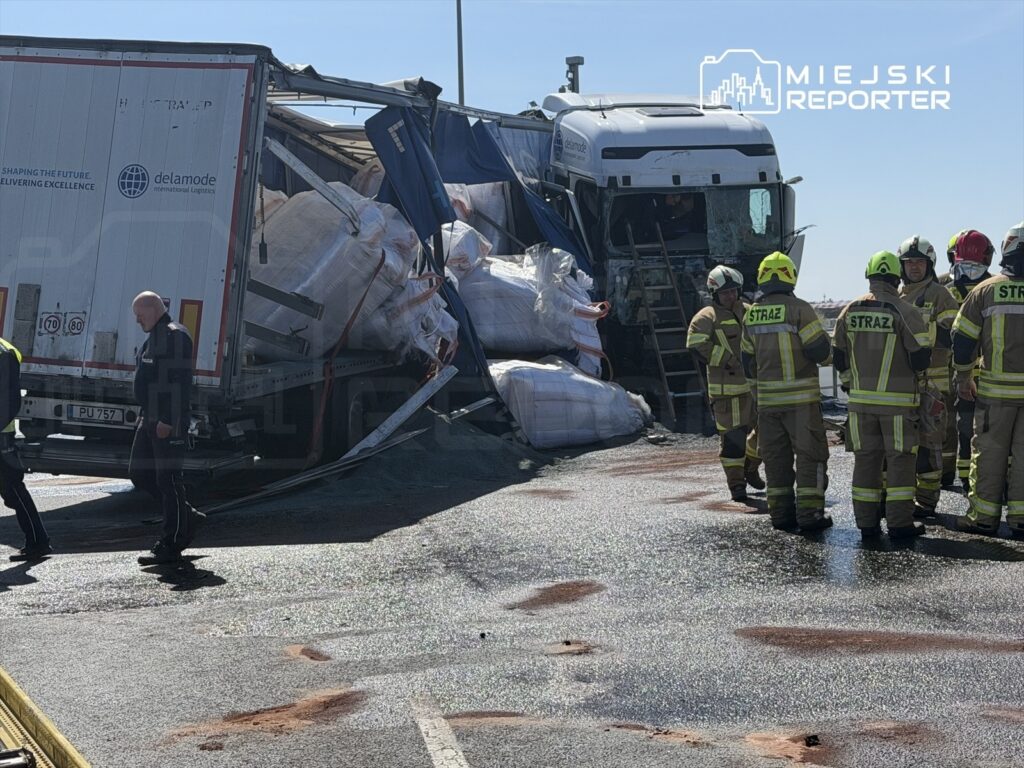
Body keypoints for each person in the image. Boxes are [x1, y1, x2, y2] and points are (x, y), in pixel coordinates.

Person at [832, 252, 933, 539]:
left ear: (870, 277)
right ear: (896, 278)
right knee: (900, 462)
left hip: (860, 405)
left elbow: (837, 355)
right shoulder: (904, 310)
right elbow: (920, 359)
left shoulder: (849, 310)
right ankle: (900, 524)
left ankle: (866, 523)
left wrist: (851, 383)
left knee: (866, 461)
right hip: (898, 406)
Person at [740, 252, 832, 532]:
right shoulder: (800, 309)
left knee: (776, 459)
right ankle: (810, 516)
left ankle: (780, 515)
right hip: (801, 402)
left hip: (768, 405)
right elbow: (819, 350)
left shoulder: (751, 314)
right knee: (810, 457)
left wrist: (759, 395)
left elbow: (747, 362)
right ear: (791, 275)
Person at [951, 222, 1024, 537]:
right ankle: (1021, 519)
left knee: (989, 454)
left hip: (995, 394)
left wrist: (964, 375)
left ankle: (982, 517)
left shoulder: (985, 290)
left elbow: (962, 339)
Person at [129, 292, 204, 565]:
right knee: (140, 473)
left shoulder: (175, 336)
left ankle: (172, 542)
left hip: (167, 422)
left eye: (140, 314)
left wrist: (169, 420)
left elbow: (180, 384)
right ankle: (188, 516)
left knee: (168, 480)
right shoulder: (154, 337)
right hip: (148, 418)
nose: (137, 320)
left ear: (154, 309)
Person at [687, 266, 764, 501]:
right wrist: (727, 359)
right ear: (715, 294)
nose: (730, 296)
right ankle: (737, 485)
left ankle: (750, 467)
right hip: (726, 392)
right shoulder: (706, 317)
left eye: (733, 291)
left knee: (766, 432)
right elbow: (695, 345)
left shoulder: (750, 311)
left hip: (755, 389)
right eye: (725, 293)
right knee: (733, 441)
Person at [896, 236, 958, 519]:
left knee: (930, 445)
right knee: (903, 444)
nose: (915, 268)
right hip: (902, 384)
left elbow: (950, 335)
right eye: (909, 263)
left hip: (933, 385)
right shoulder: (895, 294)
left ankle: (927, 500)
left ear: (929, 264)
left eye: (919, 262)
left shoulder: (940, 295)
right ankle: (902, 497)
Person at [946, 230, 996, 493]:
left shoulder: (993, 289)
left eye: (975, 267)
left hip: (988, 376)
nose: (969, 272)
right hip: (957, 375)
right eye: (964, 265)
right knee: (963, 430)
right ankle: (966, 478)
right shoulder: (946, 292)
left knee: (990, 432)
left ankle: (993, 481)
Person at [1, 337, 51, 561]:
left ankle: (38, 542)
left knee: (13, 491)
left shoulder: (4, 352)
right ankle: (38, 542)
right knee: (13, 491)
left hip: (1, 435)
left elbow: (9, 401)